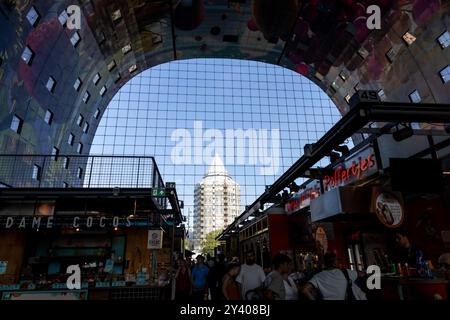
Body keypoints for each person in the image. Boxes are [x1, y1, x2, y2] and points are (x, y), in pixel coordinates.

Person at [302, 252, 367, 300]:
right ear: (334, 263)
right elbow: (361, 274)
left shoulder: (318, 276)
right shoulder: (345, 272)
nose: (338, 262)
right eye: (337, 260)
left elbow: (305, 290)